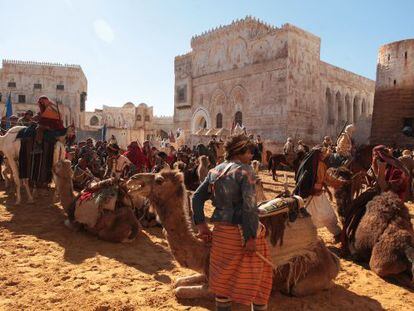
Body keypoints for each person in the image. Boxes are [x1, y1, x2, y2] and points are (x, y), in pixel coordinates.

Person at [192, 134, 272, 311]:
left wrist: (201, 225)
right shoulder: (245, 171)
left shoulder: (214, 171)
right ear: (240, 151)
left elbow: (196, 197)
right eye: (250, 151)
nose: (252, 155)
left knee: (222, 280)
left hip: (221, 235)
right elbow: (249, 208)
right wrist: (250, 237)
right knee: (261, 276)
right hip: (240, 234)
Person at [295, 146, 342, 241]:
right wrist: (340, 182)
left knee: (324, 214)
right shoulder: (314, 165)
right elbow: (326, 179)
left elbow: (326, 179)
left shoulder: (318, 164)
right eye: (323, 154)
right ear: (318, 154)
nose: (324, 155)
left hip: (316, 194)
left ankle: (337, 234)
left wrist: (340, 183)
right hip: (311, 196)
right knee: (324, 214)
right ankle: (336, 234)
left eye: (325, 153)